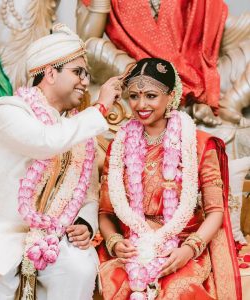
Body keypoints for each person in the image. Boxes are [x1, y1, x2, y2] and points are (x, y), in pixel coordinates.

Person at [0, 24, 122, 300]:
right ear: (50, 72)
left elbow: (88, 192)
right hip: (0, 232)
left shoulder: (80, 131)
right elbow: (44, 142)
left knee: (78, 269)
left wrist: (85, 223)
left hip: (56, 235)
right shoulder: (7, 111)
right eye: (78, 72)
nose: (85, 81)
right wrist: (99, 108)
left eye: (87, 75)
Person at [98, 58, 242, 299]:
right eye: (133, 96)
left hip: (182, 244)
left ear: (171, 96)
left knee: (179, 290)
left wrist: (189, 249)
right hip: (132, 245)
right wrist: (114, 241)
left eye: (151, 96)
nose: (141, 104)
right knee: (114, 283)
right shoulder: (119, 147)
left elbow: (216, 210)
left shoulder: (198, 145)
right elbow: (106, 212)